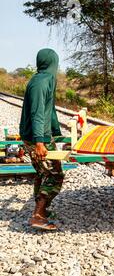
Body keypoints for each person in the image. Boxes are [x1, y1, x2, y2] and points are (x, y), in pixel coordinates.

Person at [19, 48, 64, 231]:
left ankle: (41, 211)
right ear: (53, 63)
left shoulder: (48, 80)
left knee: (41, 173)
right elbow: (37, 112)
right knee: (55, 175)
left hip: (41, 135)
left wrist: (57, 133)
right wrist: (39, 142)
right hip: (36, 137)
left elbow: (49, 110)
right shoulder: (40, 82)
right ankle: (37, 215)